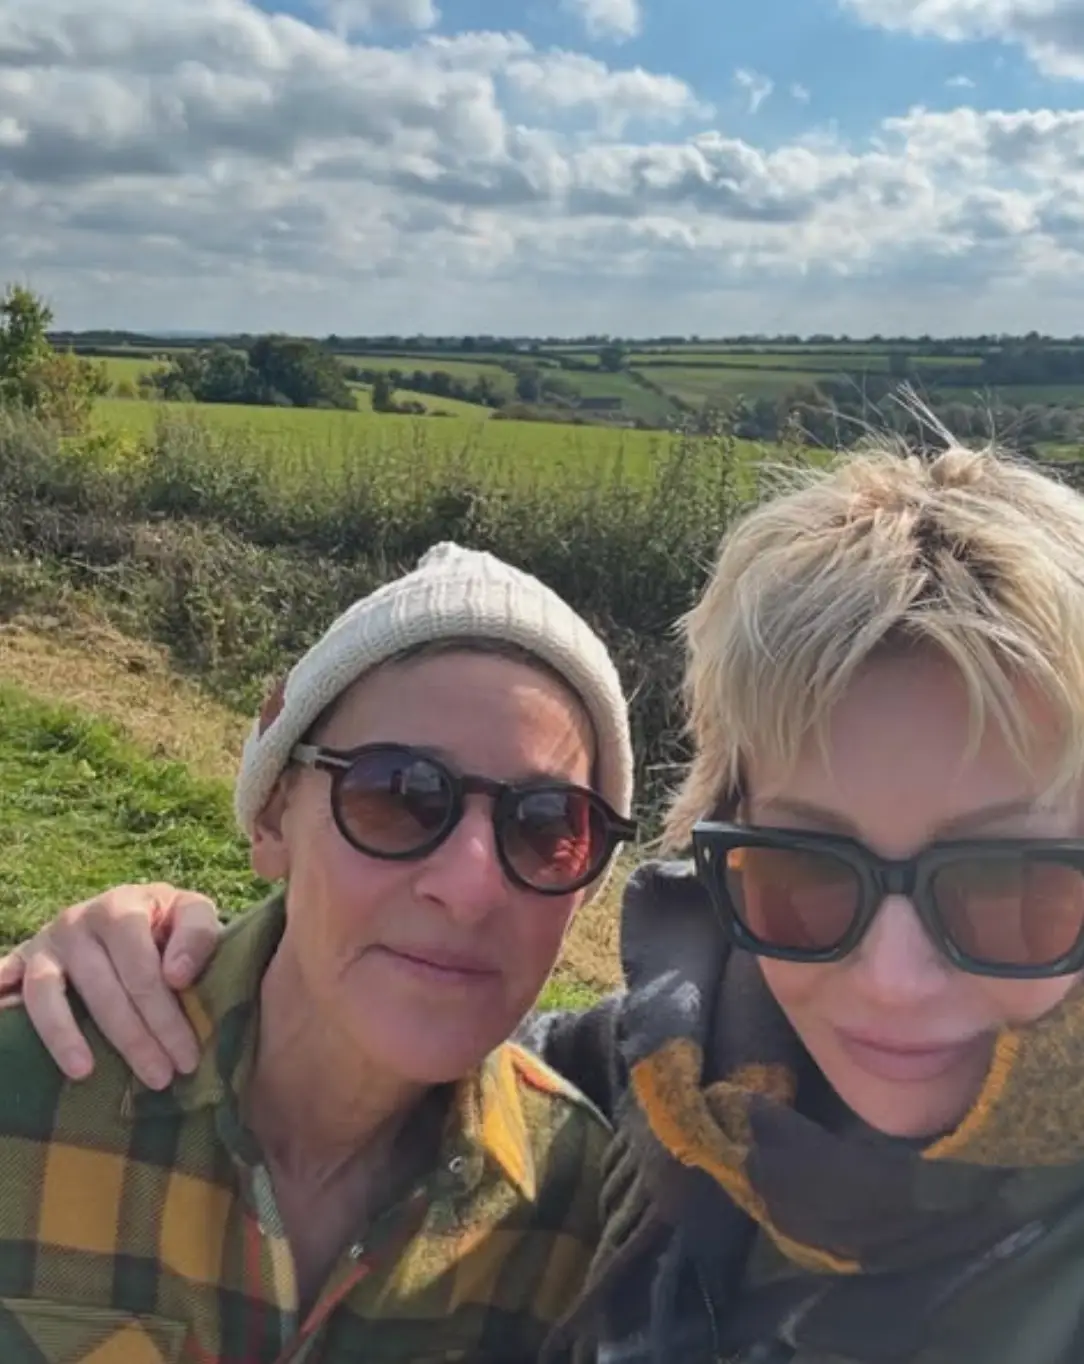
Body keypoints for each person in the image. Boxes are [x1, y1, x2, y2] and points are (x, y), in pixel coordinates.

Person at [11, 438, 1084, 1364]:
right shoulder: (641, 1113)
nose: (894, 979)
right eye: (398, 797)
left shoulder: (582, 1176)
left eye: (1011, 888)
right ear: (271, 810)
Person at [0, 541, 639, 1363]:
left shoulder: (578, 1217)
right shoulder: (28, 1095)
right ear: (271, 816)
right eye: (400, 795)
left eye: (549, 825)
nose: (472, 886)